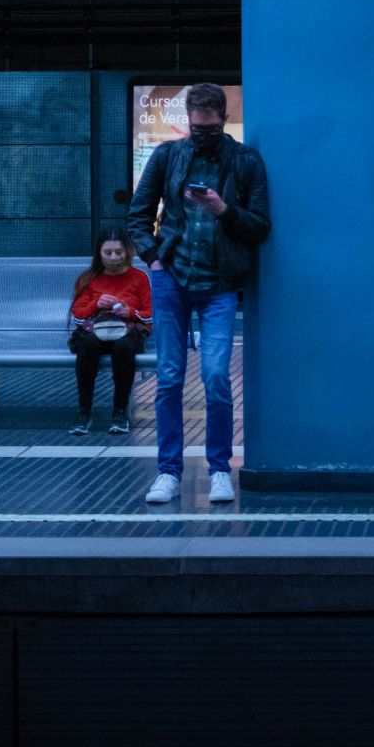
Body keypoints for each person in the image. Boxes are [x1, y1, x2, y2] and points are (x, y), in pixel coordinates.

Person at [127, 83, 271, 504]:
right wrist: (153, 260)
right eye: (195, 129)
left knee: (215, 377)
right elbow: (139, 214)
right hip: (171, 277)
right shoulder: (169, 155)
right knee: (169, 377)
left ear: (223, 121)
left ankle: (220, 468)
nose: (201, 135)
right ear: (188, 122)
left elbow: (261, 226)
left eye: (209, 129)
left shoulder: (245, 160)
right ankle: (168, 471)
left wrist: (224, 211)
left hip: (220, 283)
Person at [68, 227, 154, 436]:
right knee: (87, 345)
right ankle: (84, 412)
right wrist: (96, 304)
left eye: (119, 252)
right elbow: (77, 316)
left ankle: (120, 412)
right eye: (108, 253)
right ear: (99, 253)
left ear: (128, 252)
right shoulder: (88, 278)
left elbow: (149, 316)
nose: (114, 258)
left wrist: (129, 311)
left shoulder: (139, 277)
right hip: (95, 331)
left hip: (127, 332)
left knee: (124, 348)